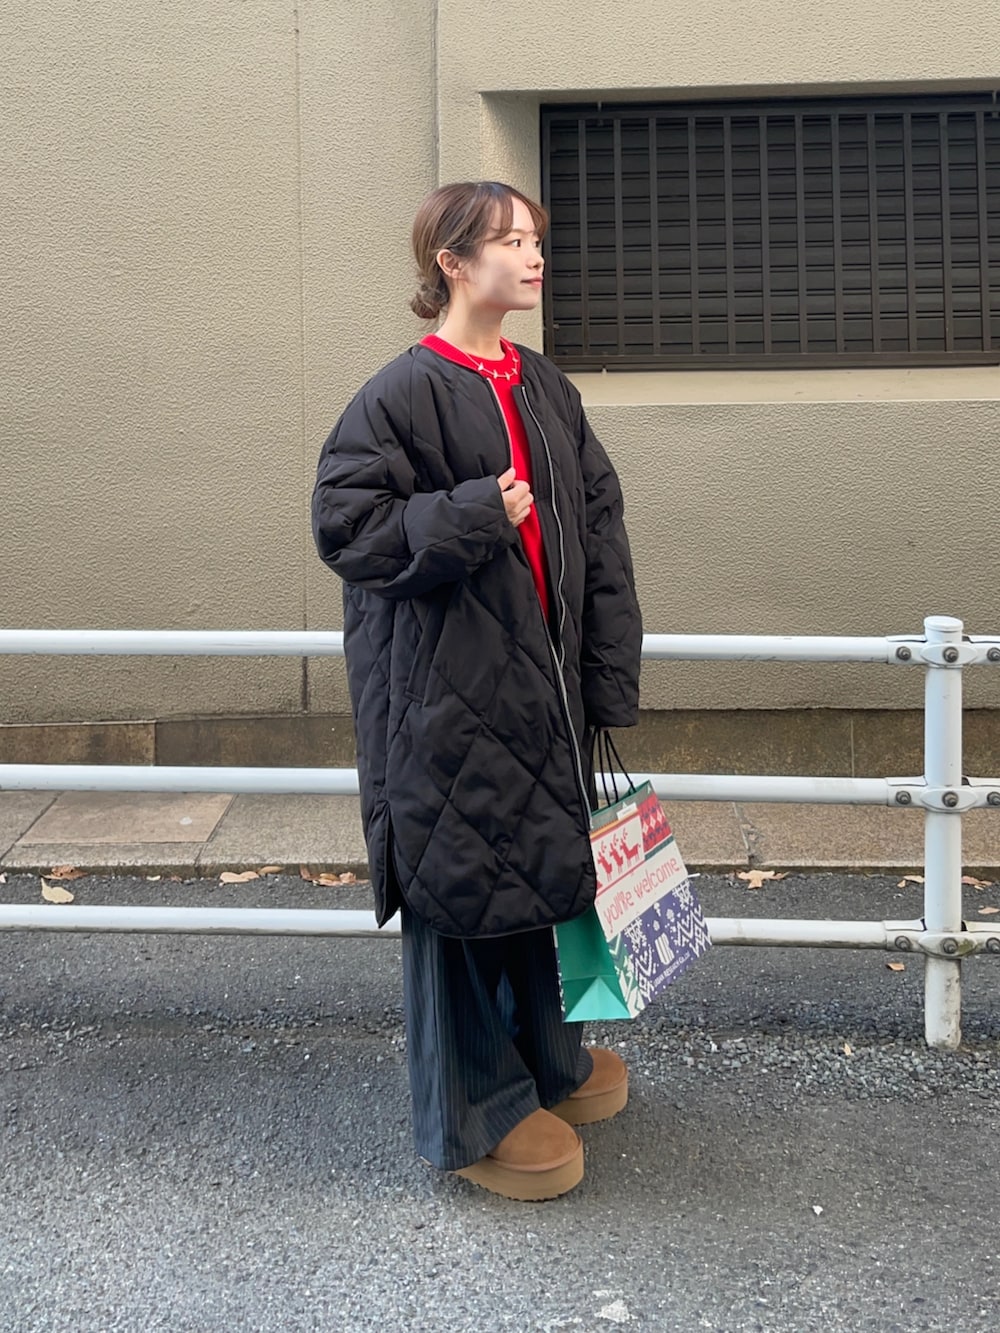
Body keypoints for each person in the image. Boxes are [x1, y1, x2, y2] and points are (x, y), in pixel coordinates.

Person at [311, 181, 642, 1200]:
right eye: (508, 241)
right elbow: (347, 529)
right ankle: (477, 1112)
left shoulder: (544, 385)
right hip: (442, 696)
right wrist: (470, 513)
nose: (533, 256)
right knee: (460, 882)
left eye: (534, 238)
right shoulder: (398, 394)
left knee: (537, 870)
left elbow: (600, 526)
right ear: (451, 263)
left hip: (542, 688)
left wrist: (605, 675)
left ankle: (548, 1060)